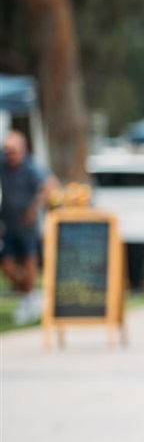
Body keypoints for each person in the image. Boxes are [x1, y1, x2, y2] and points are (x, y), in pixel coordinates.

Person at [0, 131, 55, 325]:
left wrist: (34, 208)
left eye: (12, 151)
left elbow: (50, 185)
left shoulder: (30, 168)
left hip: (27, 226)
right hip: (8, 224)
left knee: (30, 262)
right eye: (6, 151)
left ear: (22, 151)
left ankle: (29, 300)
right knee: (6, 265)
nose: (9, 155)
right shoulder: (4, 165)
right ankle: (30, 296)